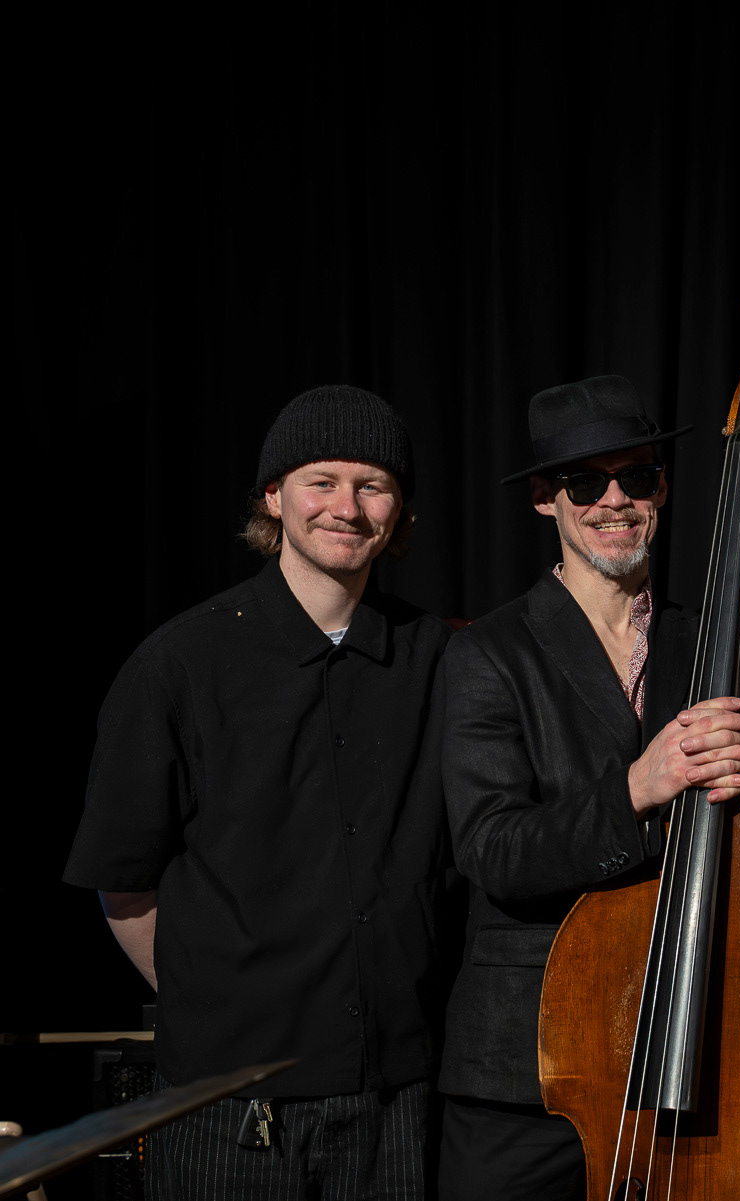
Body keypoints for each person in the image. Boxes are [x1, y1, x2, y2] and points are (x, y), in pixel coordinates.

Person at [434, 374, 740, 1201]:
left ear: (663, 490)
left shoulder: (709, 640)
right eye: (586, 482)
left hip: (699, 1045)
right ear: (545, 500)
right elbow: (493, 848)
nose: (614, 500)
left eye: (636, 477)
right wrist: (635, 788)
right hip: (529, 1070)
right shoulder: (489, 653)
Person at [64, 385, 453, 1199]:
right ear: (274, 496)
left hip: (397, 1102)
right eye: (322, 480)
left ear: (399, 509)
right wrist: (222, 1004)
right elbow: (123, 881)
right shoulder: (177, 664)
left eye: (373, 484)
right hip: (227, 1104)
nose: (346, 506)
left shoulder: (439, 658)